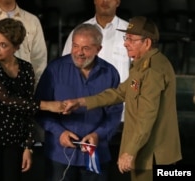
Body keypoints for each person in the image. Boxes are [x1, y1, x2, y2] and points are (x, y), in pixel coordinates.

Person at [63, 16, 182, 181]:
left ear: (147, 43)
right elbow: (119, 92)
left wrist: (129, 152)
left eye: (132, 39)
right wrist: (82, 102)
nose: (126, 43)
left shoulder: (153, 71)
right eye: (127, 38)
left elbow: (146, 118)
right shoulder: (141, 65)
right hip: (145, 153)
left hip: (153, 156)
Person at [0, 18, 63, 181]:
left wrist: (28, 146)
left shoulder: (26, 68)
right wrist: (47, 105)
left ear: (16, 47)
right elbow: (6, 99)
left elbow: (26, 110)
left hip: (12, 139)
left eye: (3, 45)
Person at [35, 23, 123, 181]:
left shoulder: (110, 73)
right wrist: (59, 132)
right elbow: (40, 109)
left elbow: (114, 114)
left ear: (98, 49)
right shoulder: (55, 70)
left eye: (86, 48)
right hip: (59, 155)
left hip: (96, 154)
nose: (79, 53)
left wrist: (98, 134)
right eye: (75, 46)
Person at [62, 0, 130, 83]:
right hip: (86, 93)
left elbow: (139, 71)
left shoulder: (130, 32)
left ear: (118, 2)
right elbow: (66, 66)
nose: (105, 1)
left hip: (121, 93)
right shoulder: (78, 32)